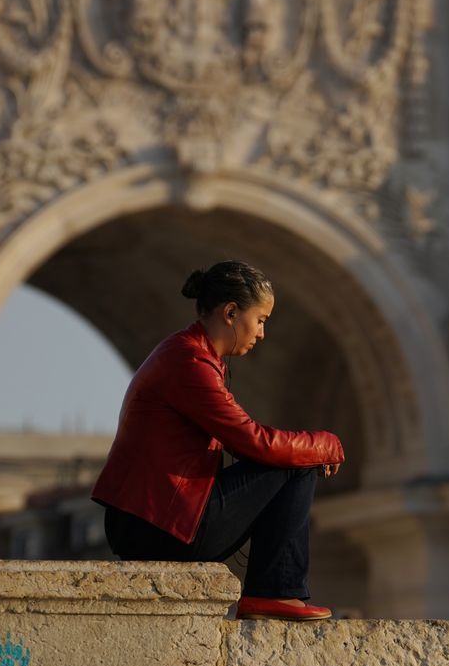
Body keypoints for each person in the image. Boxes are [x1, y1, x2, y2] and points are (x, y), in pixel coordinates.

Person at [92, 261, 345, 621]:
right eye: (260, 320)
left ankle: (274, 593)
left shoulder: (188, 354)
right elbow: (252, 441)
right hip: (156, 526)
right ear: (230, 312)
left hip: (150, 521)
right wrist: (325, 445)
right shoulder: (189, 361)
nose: (261, 333)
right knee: (296, 465)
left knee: (291, 460)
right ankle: (276, 592)